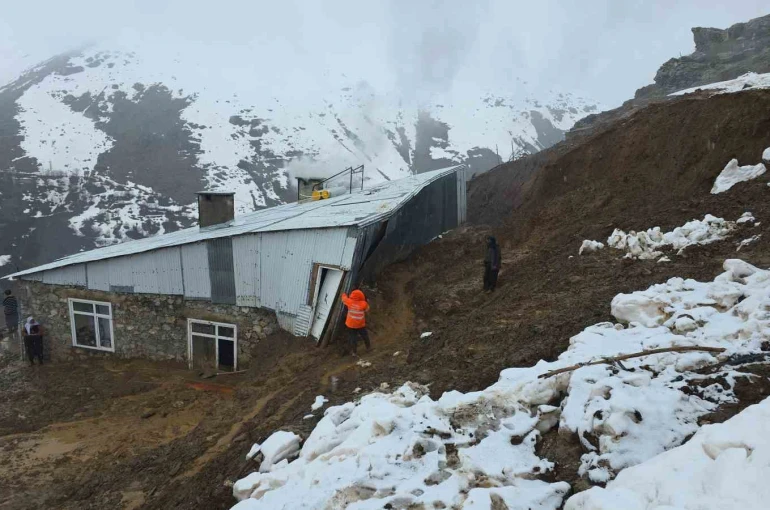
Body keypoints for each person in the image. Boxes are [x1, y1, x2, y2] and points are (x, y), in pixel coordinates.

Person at [341, 289, 370, 355]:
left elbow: (344, 299)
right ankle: (368, 347)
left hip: (351, 324)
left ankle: (354, 352)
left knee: (353, 337)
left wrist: (344, 294)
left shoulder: (349, 301)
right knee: (365, 335)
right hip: (360, 324)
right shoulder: (364, 304)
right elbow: (367, 309)